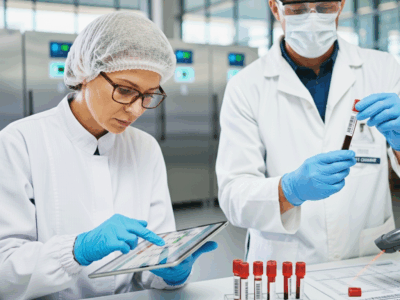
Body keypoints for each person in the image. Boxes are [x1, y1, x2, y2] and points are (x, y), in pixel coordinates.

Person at [0, 12, 217, 300]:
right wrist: (76, 250)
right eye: (125, 90)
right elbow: (5, 271)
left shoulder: (145, 148)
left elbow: (151, 258)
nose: (136, 110)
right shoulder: (20, 143)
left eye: (149, 95)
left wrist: (168, 268)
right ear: (84, 71)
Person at [216, 0, 400, 267]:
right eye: (297, 8)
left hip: (365, 261)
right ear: (275, 8)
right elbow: (233, 197)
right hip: (283, 265)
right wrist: (289, 189)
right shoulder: (246, 87)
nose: (313, 19)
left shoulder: (383, 68)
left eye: (324, 8)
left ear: (341, 5)